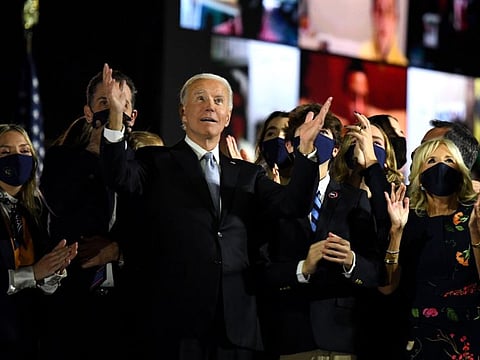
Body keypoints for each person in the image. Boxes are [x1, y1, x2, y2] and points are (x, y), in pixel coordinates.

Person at [99, 63, 332, 360]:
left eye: (218, 100)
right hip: (176, 325)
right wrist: (116, 117)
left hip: (237, 328)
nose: (209, 105)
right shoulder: (155, 161)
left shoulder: (248, 175)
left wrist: (307, 154)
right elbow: (117, 175)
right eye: (200, 98)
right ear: (182, 113)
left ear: (227, 117)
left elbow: (293, 205)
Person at [255, 107, 396, 359]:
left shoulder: (355, 199)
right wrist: (301, 268)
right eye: (307, 132)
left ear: (335, 149)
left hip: (343, 338)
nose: (314, 137)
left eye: (323, 133)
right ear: (291, 145)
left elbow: (378, 272)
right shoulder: (274, 199)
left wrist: (352, 262)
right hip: (290, 337)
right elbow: (260, 270)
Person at [38, 68, 138, 360]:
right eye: (105, 102)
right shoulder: (58, 161)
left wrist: (119, 250)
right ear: (87, 111)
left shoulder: (145, 168)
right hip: (70, 305)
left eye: (122, 103)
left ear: (134, 115)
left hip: (128, 309)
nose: (114, 109)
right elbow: (61, 207)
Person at [381, 137, 480, 359]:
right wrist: (396, 232)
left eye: (449, 160)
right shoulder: (408, 217)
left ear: (462, 170)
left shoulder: (474, 213)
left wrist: (475, 231)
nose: (441, 166)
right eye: (432, 160)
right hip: (419, 334)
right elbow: (387, 287)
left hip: (470, 332)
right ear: (419, 174)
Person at [0, 124, 77, 360]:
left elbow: (43, 283)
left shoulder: (36, 209)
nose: (17, 158)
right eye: (5, 152)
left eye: (24, 151)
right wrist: (33, 273)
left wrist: (53, 273)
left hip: (28, 336)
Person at [335, 59, 407, 129]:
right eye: (353, 97)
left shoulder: (380, 122)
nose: (359, 109)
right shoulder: (335, 128)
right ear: (343, 96)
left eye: (365, 98)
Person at [358, 0, 408, 66]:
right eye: (379, 10)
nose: (383, 20)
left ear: (396, 18)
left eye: (388, 11)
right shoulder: (360, 55)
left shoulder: (403, 63)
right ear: (372, 14)